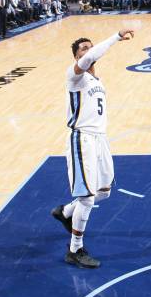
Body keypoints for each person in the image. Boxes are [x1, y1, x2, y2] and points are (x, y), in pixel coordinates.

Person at [51, 28, 135, 268]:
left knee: (104, 190)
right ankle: (74, 249)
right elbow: (88, 59)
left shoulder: (97, 81)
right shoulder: (74, 75)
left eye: (90, 46)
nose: (89, 51)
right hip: (82, 139)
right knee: (87, 198)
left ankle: (66, 212)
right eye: (84, 49)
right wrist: (116, 37)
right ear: (77, 57)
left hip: (100, 139)